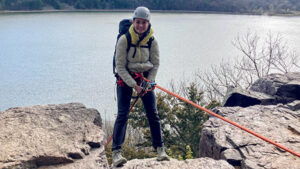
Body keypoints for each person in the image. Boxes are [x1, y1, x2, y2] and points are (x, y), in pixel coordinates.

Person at [112, 6, 169, 167]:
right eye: (138, 22)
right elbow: (120, 66)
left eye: (144, 22)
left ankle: (160, 149)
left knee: (153, 114)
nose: (140, 25)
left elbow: (155, 64)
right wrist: (134, 85)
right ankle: (116, 153)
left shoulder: (152, 41)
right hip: (126, 79)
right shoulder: (124, 39)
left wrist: (149, 82)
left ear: (148, 23)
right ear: (133, 22)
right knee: (123, 114)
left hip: (144, 79)